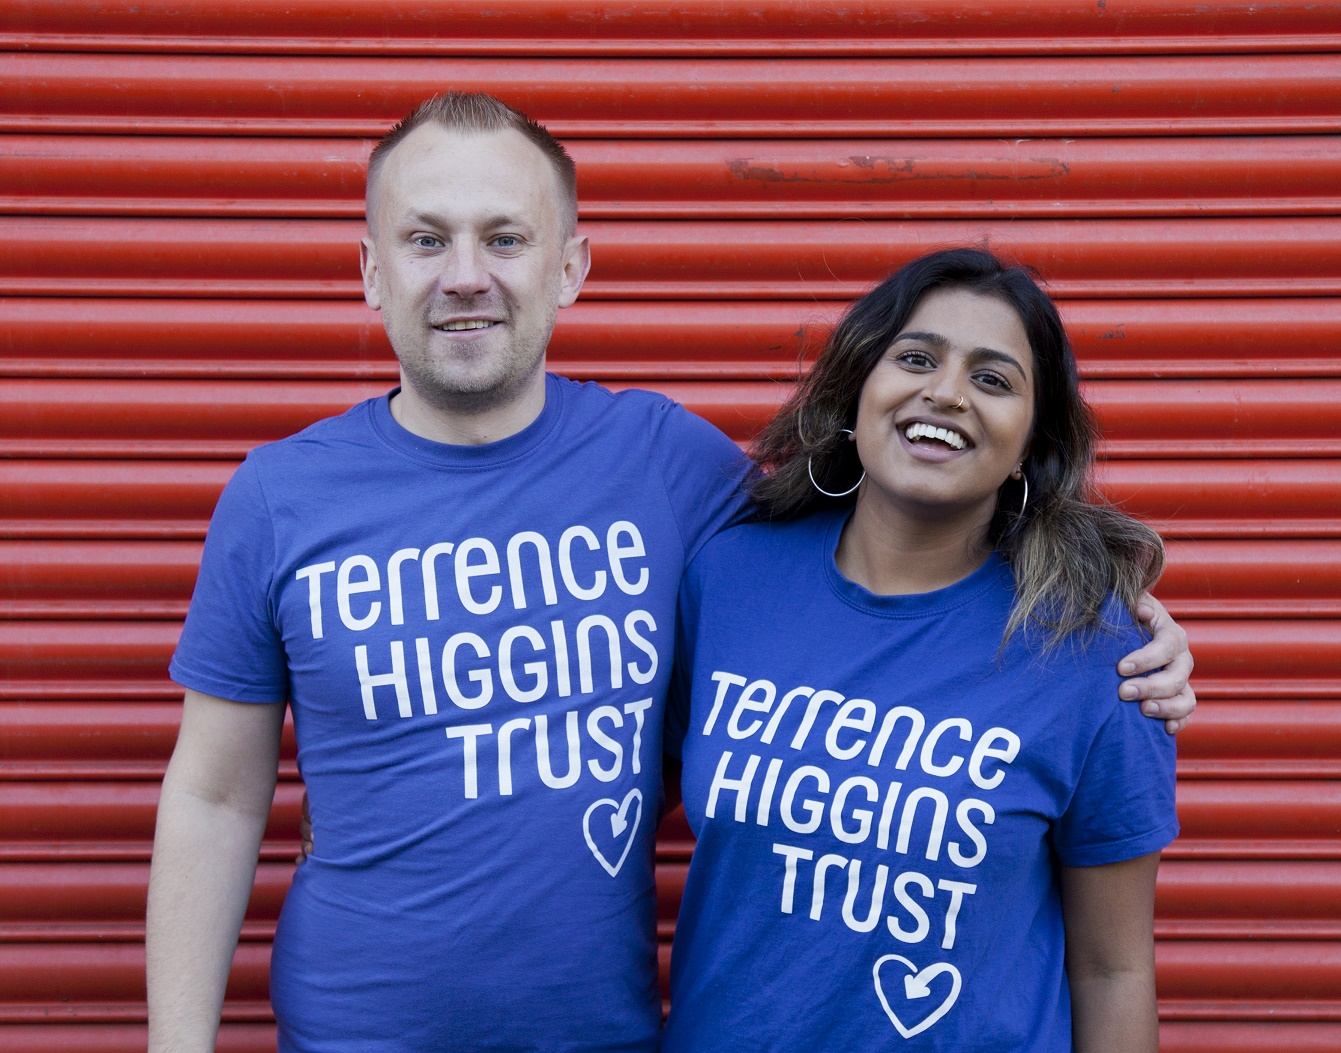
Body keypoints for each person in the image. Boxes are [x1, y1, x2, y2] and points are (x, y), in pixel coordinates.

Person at [145, 93, 1193, 1053]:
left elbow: (905, 505)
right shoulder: (278, 498)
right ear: (373, 270)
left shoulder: (672, 466)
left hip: (601, 1035)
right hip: (352, 1034)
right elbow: (217, 796)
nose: (466, 273)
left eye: (506, 237)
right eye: (426, 239)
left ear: (570, 266)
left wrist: (1111, 605)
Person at [663, 248, 1179, 1051]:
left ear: (1028, 441)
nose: (945, 392)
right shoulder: (726, 579)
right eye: (915, 358)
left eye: (993, 379)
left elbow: (1111, 971)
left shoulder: (1094, 656)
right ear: (859, 387)